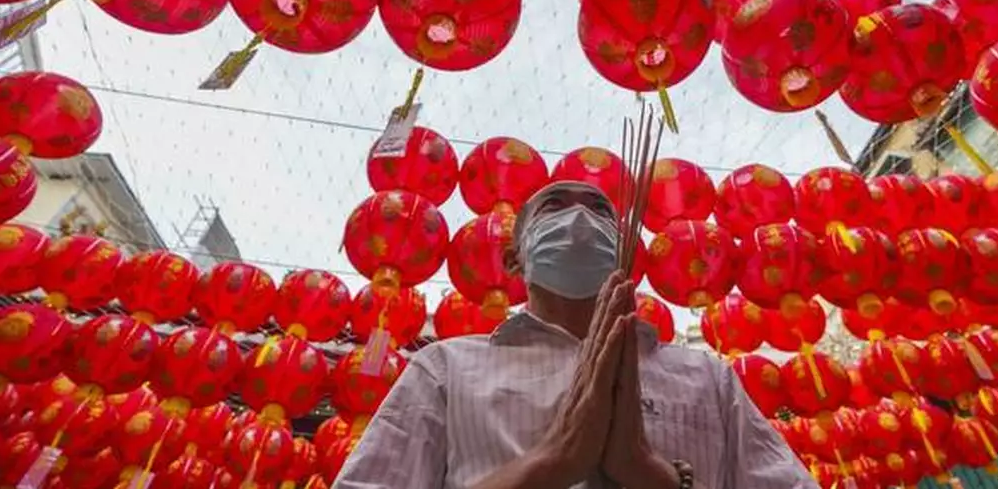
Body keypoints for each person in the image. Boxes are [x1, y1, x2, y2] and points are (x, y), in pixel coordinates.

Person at [334, 181, 817, 489]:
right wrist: (549, 463)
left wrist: (652, 474)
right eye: (554, 207)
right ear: (514, 258)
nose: (581, 220)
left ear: (627, 251)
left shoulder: (705, 376)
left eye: (600, 210)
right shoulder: (445, 369)